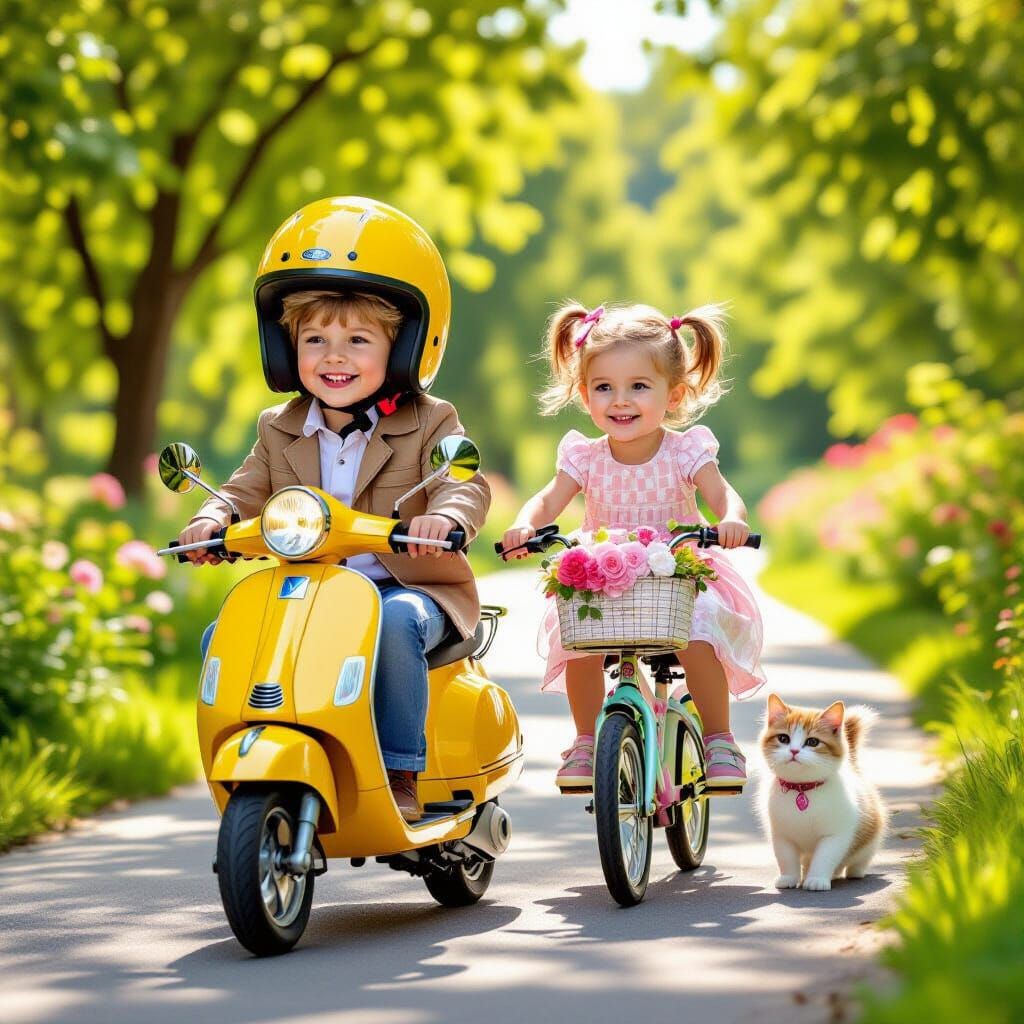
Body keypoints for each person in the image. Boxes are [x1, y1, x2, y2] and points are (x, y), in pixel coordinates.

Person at [177, 196, 490, 823]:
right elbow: (245, 488)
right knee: (225, 633)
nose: (333, 356)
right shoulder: (279, 425)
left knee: (394, 624)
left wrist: (446, 520)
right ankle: (248, 757)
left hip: (410, 586)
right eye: (314, 339)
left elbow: (464, 483)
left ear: (405, 349)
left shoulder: (433, 421)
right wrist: (213, 520)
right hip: (309, 587)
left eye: (357, 340)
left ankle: (400, 767)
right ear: (284, 346)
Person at [501, 302, 765, 793]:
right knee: (575, 634)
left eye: (639, 386)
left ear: (674, 394)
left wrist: (731, 519)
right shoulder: (584, 456)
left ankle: (720, 738)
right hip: (604, 569)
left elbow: (722, 494)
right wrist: (523, 525)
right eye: (604, 387)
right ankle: (584, 740)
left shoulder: (686, 450)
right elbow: (548, 500)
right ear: (585, 394)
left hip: (676, 570)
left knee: (699, 630)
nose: (620, 401)